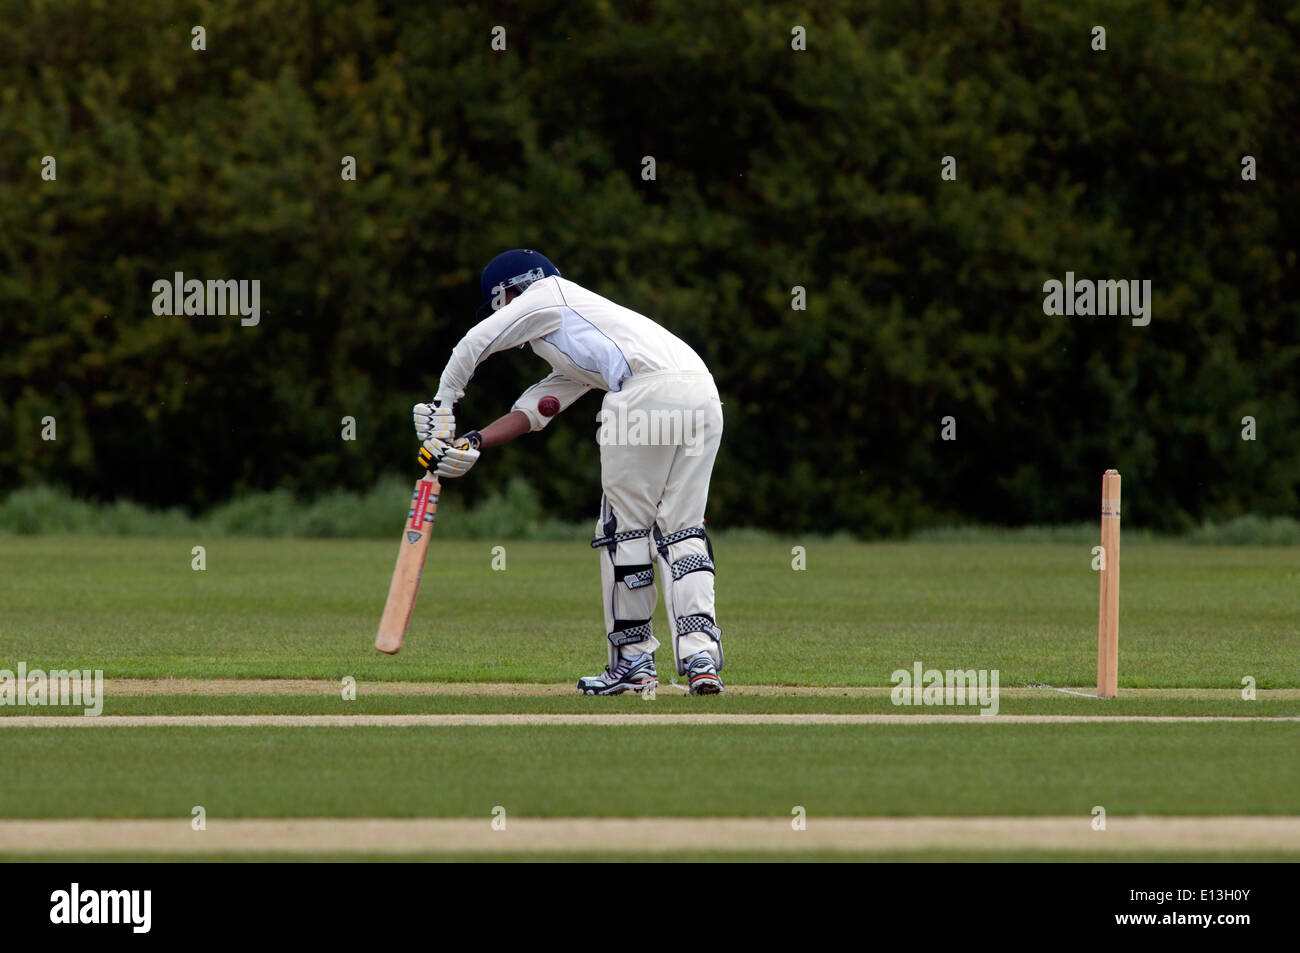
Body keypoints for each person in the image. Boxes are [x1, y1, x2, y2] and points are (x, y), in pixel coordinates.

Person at [414, 249, 725, 695]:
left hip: (644, 392)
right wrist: (470, 441)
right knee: (682, 529)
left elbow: (475, 342)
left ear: (510, 292)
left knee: (624, 529)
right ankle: (701, 659)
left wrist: (444, 405)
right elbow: (539, 407)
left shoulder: (545, 296)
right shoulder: (579, 327)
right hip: (701, 393)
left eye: (500, 304)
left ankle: (634, 661)